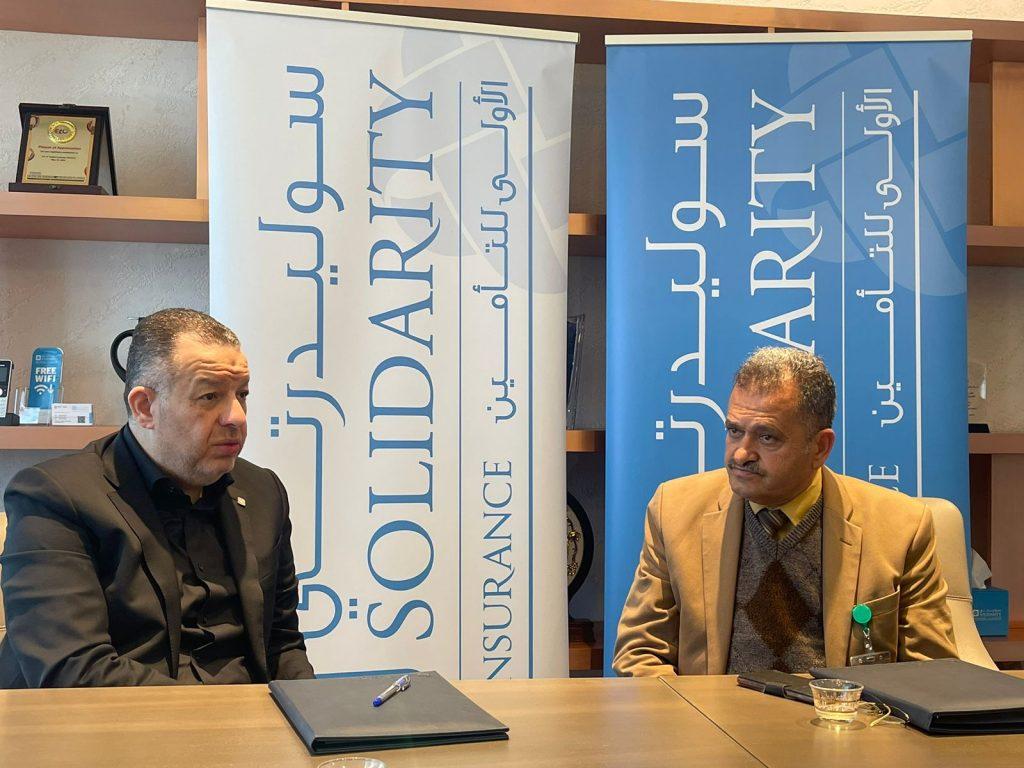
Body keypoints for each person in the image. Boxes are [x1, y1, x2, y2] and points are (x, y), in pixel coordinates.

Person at [0, 308, 314, 687]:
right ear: (144, 407)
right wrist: (223, 718)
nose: (236, 417)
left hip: (249, 717)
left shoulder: (263, 491)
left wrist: (308, 714)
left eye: (241, 394)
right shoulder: (54, 496)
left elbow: (282, 643)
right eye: (210, 396)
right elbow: (74, 671)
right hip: (119, 719)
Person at [613, 347, 958, 676]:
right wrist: (692, 713)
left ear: (820, 447)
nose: (741, 454)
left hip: (841, 714)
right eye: (734, 431)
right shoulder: (674, 510)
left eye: (767, 438)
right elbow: (640, 653)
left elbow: (931, 672)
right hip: (710, 713)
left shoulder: (903, 527)